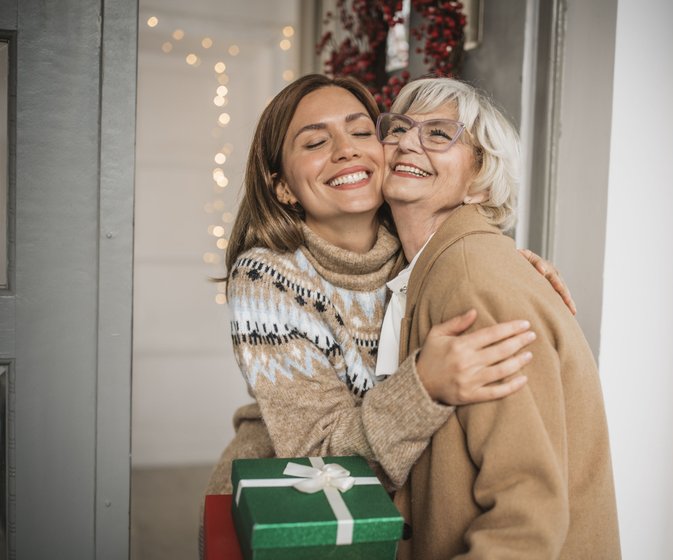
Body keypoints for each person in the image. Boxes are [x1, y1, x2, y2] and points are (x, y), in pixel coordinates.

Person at [203, 74, 574, 498]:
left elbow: (459, 242)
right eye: (314, 143)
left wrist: (511, 266)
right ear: (283, 186)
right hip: (293, 509)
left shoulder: (416, 247)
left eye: (362, 131)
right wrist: (423, 386)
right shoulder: (267, 278)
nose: (346, 150)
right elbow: (320, 459)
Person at [379, 78, 621, 558]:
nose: (408, 142)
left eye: (440, 134)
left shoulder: (472, 282)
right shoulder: (434, 267)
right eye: (399, 128)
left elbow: (527, 515)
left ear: (479, 179)